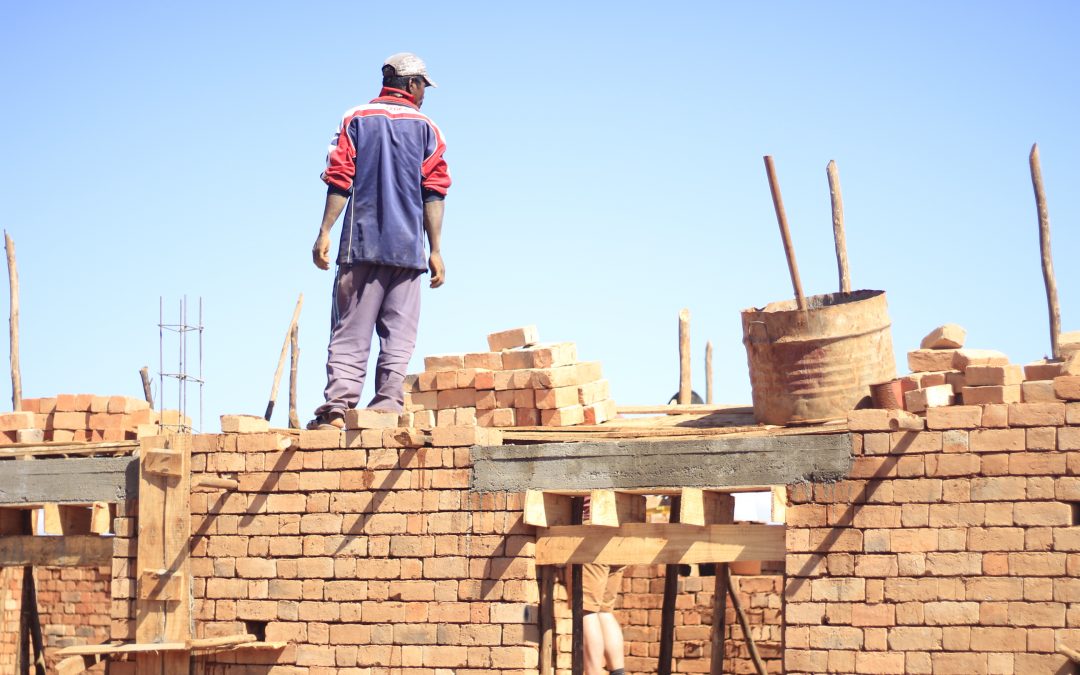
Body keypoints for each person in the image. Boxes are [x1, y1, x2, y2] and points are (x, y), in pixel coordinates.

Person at [308, 52, 450, 430]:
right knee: (399, 335)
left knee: (350, 331)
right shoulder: (428, 128)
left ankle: (337, 409)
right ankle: (387, 405)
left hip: (361, 245)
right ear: (412, 84)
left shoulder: (355, 118)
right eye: (424, 87)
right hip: (408, 252)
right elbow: (434, 190)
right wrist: (435, 250)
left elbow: (340, 176)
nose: (424, 94)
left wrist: (324, 230)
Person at [581, 563, 626, 675]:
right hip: (619, 550)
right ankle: (618, 673)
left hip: (592, 551)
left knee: (586, 609)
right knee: (604, 611)